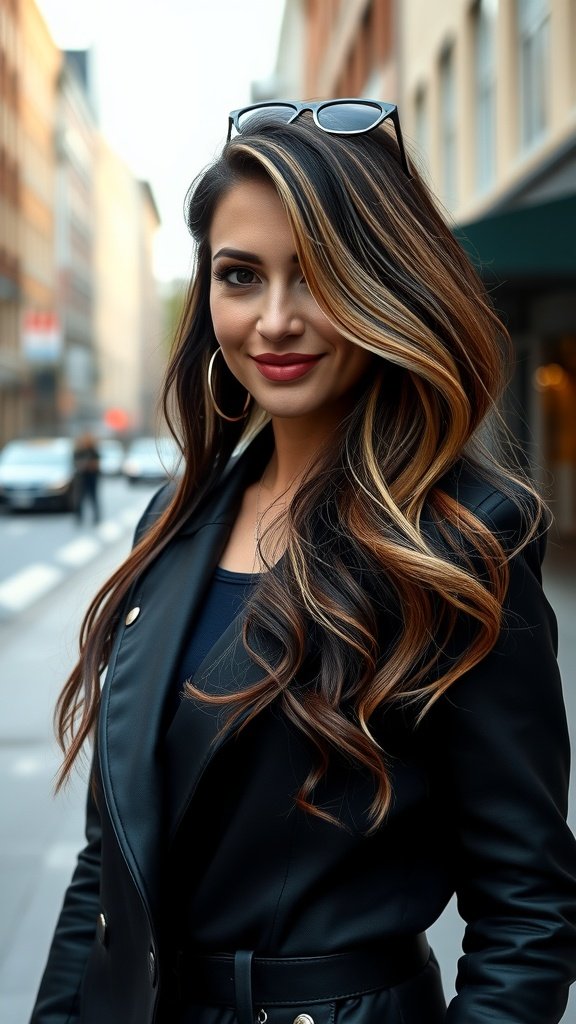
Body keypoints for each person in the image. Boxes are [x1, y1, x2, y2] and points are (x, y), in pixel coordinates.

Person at [30, 100, 576, 1024]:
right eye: (241, 276)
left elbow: (527, 907)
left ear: (384, 286)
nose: (275, 320)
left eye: (318, 275)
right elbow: (107, 866)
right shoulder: (173, 523)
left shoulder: (457, 545)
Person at [72, 432, 101, 525]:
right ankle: (78, 517)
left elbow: (96, 464)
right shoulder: (79, 451)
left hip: (92, 477)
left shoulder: (93, 451)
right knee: (80, 498)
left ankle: (96, 517)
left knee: (93, 497)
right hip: (81, 478)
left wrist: (88, 465)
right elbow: (75, 464)